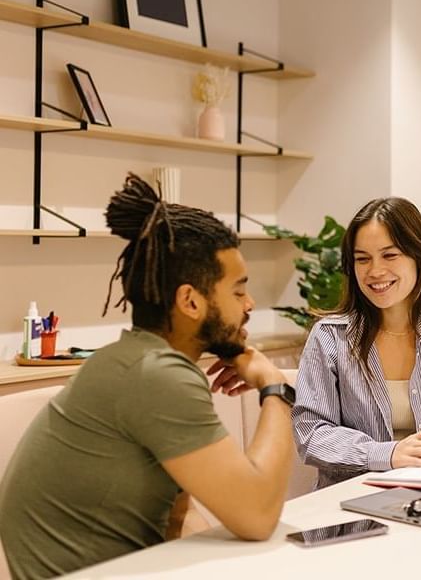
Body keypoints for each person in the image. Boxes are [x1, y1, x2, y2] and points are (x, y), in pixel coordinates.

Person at [0, 174, 295, 580]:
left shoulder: (136, 360)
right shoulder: (157, 375)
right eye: (238, 291)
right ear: (190, 301)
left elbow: (179, 517)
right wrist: (276, 388)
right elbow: (257, 516)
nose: (249, 304)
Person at [293, 197, 421, 488]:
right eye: (362, 259)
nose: (375, 271)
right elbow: (312, 434)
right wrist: (388, 454)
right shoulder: (329, 337)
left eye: (389, 255)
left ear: (419, 257)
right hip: (354, 496)